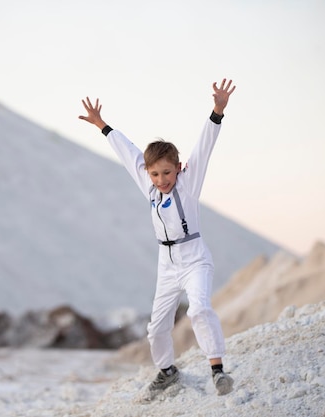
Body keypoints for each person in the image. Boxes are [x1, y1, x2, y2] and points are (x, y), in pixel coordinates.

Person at [78, 79, 236, 396]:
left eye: (167, 172)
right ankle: (167, 372)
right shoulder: (148, 185)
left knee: (198, 310)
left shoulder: (188, 184)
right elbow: (129, 152)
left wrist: (217, 111)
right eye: (155, 174)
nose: (161, 180)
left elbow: (203, 149)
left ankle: (217, 371)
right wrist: (102, 126)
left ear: (178, 169)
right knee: (156, 327)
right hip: (166, 263)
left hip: (194, 259)